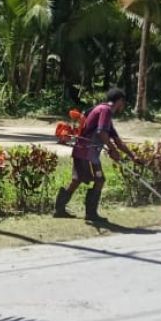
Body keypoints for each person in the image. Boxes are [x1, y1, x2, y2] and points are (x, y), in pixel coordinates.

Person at [54, 88, 139, 223]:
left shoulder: (104, 113)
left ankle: (63, 210)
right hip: (86, 152)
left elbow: (117, 140)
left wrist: (132, 156)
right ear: (120, 101)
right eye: (123, 103)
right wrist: (113, 150)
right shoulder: (105, 110)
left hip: (88, 153)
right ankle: (88, 213)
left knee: (81, 180)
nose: (123, 106)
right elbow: (101, 133)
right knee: (94, 180)